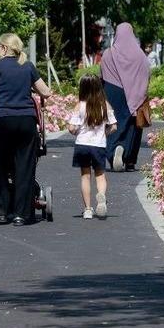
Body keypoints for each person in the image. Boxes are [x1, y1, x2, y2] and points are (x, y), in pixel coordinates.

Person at [0, 33, 53, 226]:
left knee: (1, 166)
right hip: (25, 122)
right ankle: (22, 214)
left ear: (4, 48)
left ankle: (3, 213)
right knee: (25, 167)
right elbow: (45, 91)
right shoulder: (28, 66)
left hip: (2, 121)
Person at [101, 23, 151, 172]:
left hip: (113, 91)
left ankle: (114, 151)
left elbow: (102, 73)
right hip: (135, 94)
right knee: (133, 127)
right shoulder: (140, 55)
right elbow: (147, 73)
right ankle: (129, 160)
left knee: (113, 121)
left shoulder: (108, 54)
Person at [67, 74, 117, 220]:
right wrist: (104, 133)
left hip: (82, 144)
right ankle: (101, 195)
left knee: (85, 176)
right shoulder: (105, 105)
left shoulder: (80, 106)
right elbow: (113, 127)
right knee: (100, 174)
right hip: (98, 145)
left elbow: (72, 128)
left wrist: (75, 131)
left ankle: (88, 209)